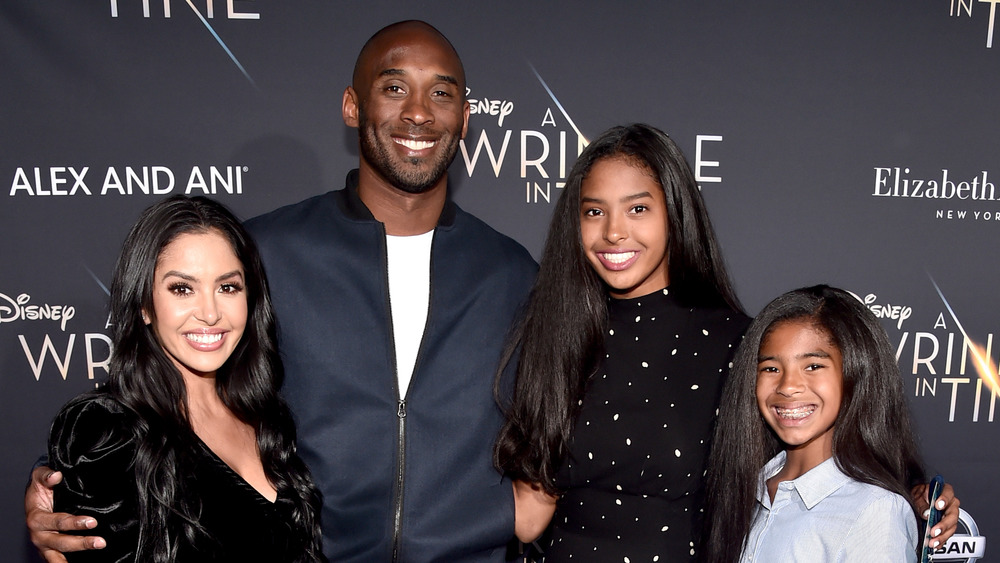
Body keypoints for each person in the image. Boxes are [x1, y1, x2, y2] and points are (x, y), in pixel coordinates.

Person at [26, 20, 537, 563]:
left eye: (441, 92)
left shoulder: (511, 272)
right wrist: (58, 484)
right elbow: (161, 389)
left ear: (464, 118)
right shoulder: (265, 251)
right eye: (393, 87)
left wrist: (529, 505)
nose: (418, 111)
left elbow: (565, 417)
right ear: (351, 106)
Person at [494, 123, 750, 562]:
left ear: (675, 212)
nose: (613, 232)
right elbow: (529, 516)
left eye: (637, 210)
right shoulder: (553, 331)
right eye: (594, 212)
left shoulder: (735, 342)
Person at [45, 195, 324, 562]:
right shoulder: (107, 430)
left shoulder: (265, 415)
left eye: (228, 287)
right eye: (182, 288)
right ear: (145, 304)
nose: (209, 313)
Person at [701, 285, 928, 562]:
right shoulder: (743, 488)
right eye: (771, 368)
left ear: (855, 373)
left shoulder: (874, 511)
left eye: (813, 366)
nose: (788, 386)